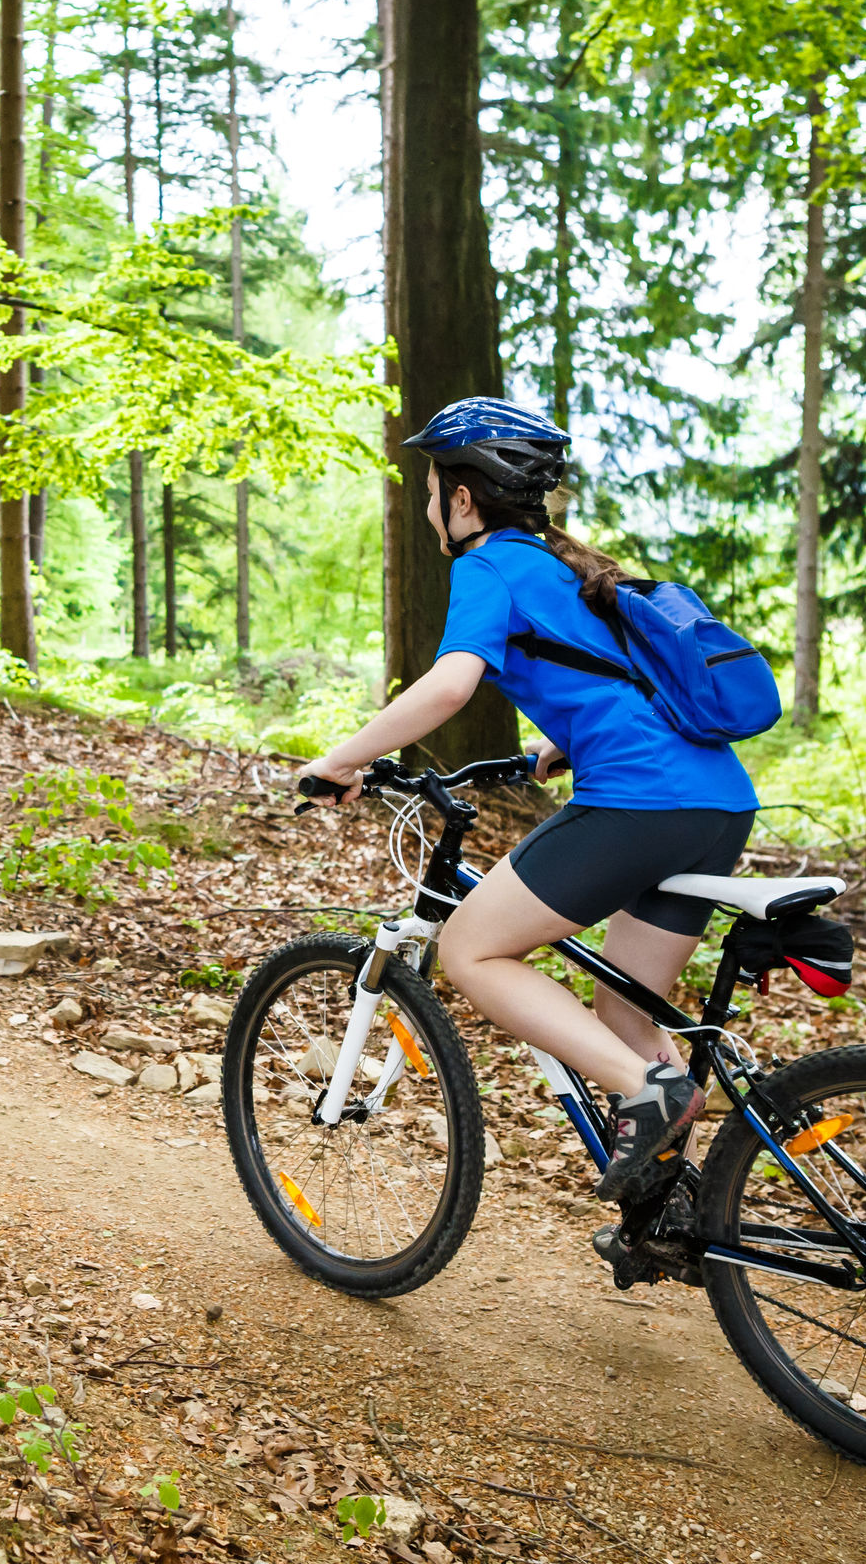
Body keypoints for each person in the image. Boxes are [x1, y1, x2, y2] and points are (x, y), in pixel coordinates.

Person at [294, 397, 760, 1205]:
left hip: (638, 804)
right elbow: (619, 681)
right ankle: (684, 1208)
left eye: (433, 485)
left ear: (462, 498)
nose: (431, 503)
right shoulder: (565, 568)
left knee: (473, 950)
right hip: (717, 802)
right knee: (624, 1009)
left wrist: (341, 760)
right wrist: (562, 744)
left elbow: (449, 686)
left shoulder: (488, 566)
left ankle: (652, 1093)